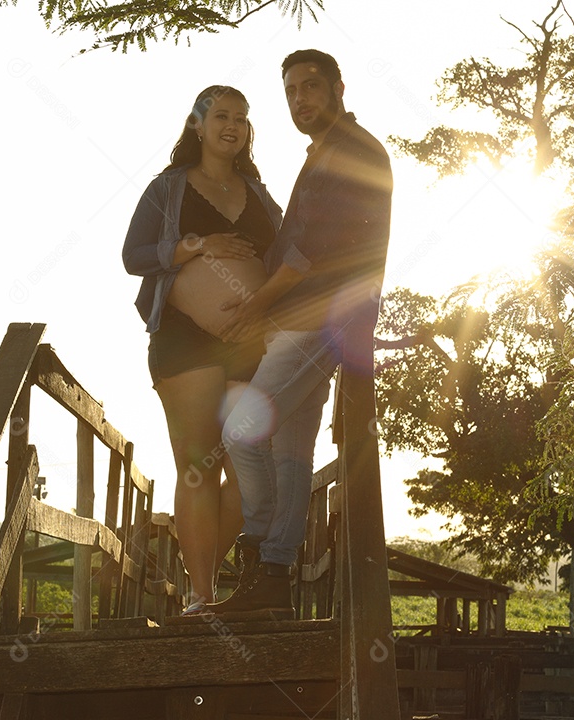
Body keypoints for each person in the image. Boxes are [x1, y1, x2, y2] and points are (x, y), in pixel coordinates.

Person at [205, 50, 393, 617]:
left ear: (338, 85)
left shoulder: (350, 151)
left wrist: (255, 308)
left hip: (322, 320)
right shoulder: (327, 153)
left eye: (311, 86)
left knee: (240, 430)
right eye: (291, 91)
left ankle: (260, 548)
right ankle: (272, 583)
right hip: (313, 321)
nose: (301, 99)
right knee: (289, 453)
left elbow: (308, 255)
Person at [122, 85, 283, 615]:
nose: (232, 125)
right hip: (184, 340)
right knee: (197, 468)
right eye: (220, 116)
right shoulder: (165, 189)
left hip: (251, 347)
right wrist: (196, 245)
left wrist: (265, 308)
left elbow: (287, 257)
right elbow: (133, 256)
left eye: (241, 117)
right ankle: (201, 595)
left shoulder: (259, 194)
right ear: (197, 124)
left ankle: (211, 576)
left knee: (249, 467)